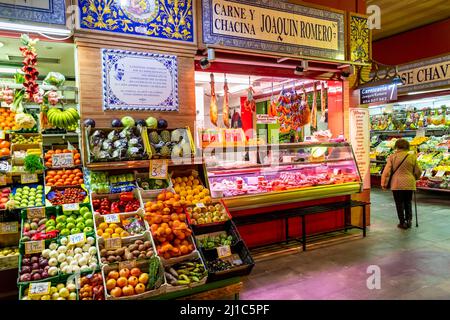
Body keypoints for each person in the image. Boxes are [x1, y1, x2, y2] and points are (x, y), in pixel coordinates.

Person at [381, 139, 422, 229]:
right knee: (408, 202)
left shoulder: (392, 157)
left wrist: (383, 183)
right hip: (409, 183)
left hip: (397, 183)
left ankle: (402, 222)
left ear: (396, 146)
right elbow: (418, 171)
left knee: (399, 203)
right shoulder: (412, 157)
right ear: (407, 146)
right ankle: (409, 220)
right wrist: (415, 177)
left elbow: (387, 172)